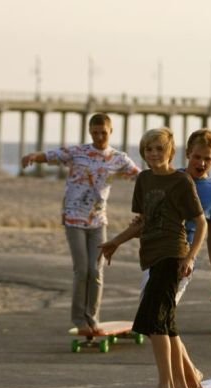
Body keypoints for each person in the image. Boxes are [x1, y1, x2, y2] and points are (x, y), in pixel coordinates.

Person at [100, 128, 211, 388]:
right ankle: (190, 379)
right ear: (187, 154)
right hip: (152, 256)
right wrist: (116, 240)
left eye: (207, 159)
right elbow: (145, 220)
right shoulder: (162, 178)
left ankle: (175, 384)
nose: (201, 163)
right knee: (163, 320)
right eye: (197, 157)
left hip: (179, 260)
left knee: (158, 319)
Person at [20, 113, 140, 334]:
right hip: (74, 218)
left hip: (98, 221)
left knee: (96, 271)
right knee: (82, 269)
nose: (99, 136)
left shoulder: (118, 158)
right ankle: (79, 319)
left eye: (103, 132)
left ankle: (92, 317)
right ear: (90, 132)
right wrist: (32, 157)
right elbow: (52, 155)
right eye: (95, 132)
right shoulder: (78, 152)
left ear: (110, 131)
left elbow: (140, 176)